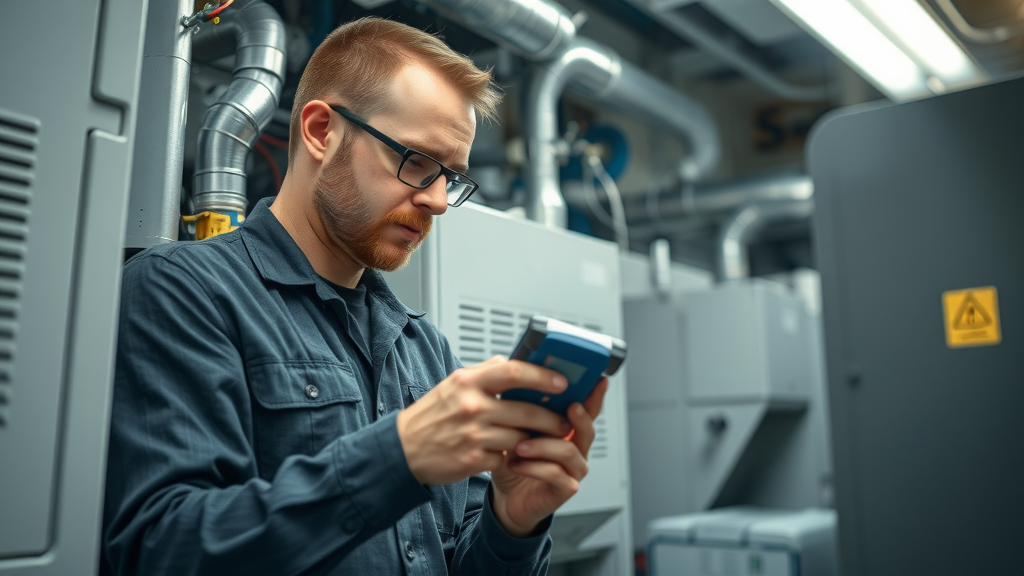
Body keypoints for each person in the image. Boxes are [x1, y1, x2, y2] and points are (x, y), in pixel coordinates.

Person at [101, 16, 608, 576]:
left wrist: (512, 523)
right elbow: (161, 550)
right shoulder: (183, 293)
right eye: (417, 162)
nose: (438, 201)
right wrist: (399, 457)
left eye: (451, 177)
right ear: (322, 131)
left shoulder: (424, 348)